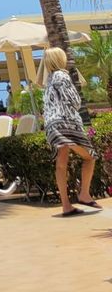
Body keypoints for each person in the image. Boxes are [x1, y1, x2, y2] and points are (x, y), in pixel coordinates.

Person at [38, 47, 98, 216]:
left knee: (61, 163)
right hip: (67, 122)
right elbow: (75, 101)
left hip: (51, 125)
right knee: (90, 157)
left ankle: (66, 205)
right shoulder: (63, 76)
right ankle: (84, 194)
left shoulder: (49, 80)